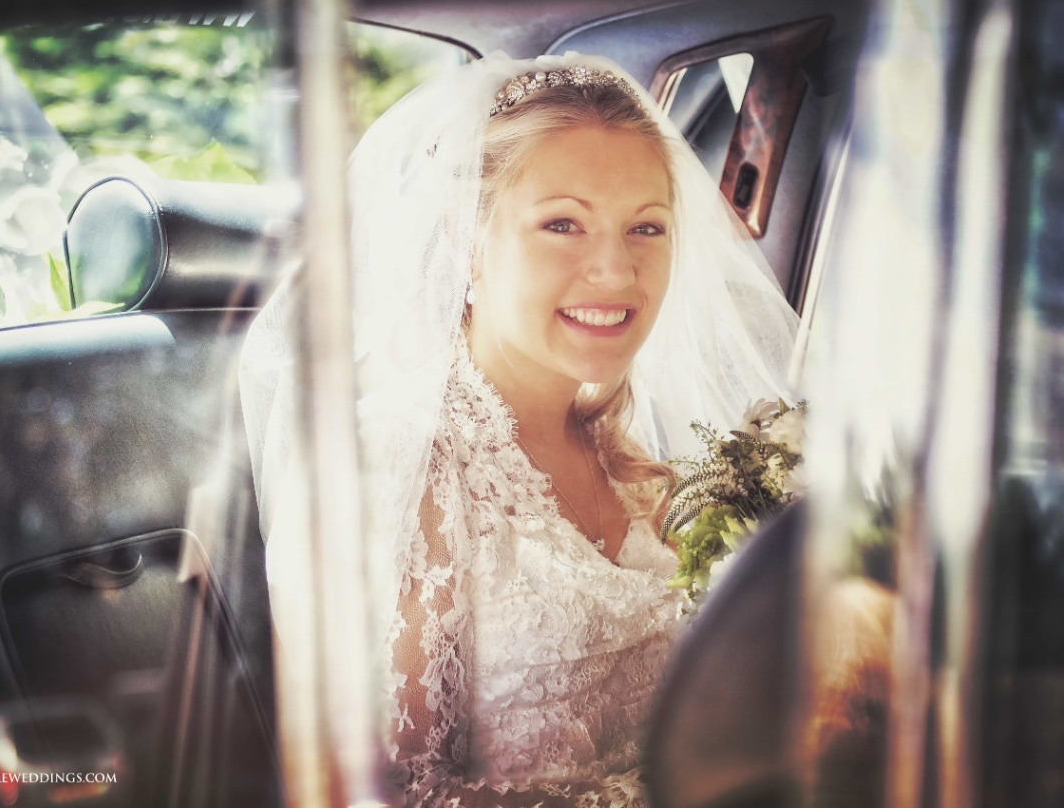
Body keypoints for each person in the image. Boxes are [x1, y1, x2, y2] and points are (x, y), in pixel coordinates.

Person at [239, 51, 800, 807]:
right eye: (562, 223)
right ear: (464, 232)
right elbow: (381, 794)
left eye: (645, 227)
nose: (615, 270)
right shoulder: (391, 465)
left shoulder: (642, 466)